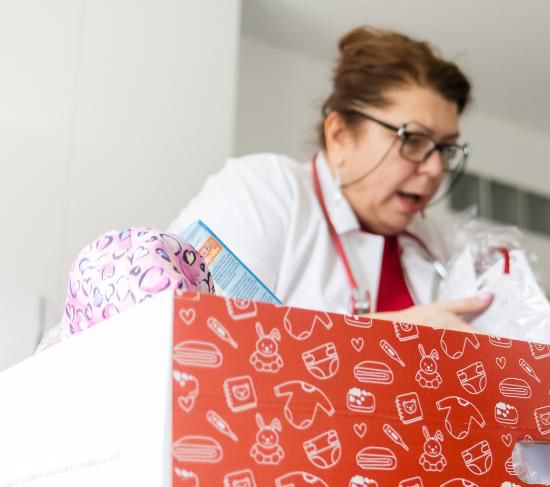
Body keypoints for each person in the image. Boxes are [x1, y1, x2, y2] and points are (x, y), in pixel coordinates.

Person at [170, 26, 492, 330]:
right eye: (413, 139)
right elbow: (197, 331)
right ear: (339, 136)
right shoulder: (263, 191)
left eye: (445, 148)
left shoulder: (437, 246)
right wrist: (390, 338)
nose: (435, 168)